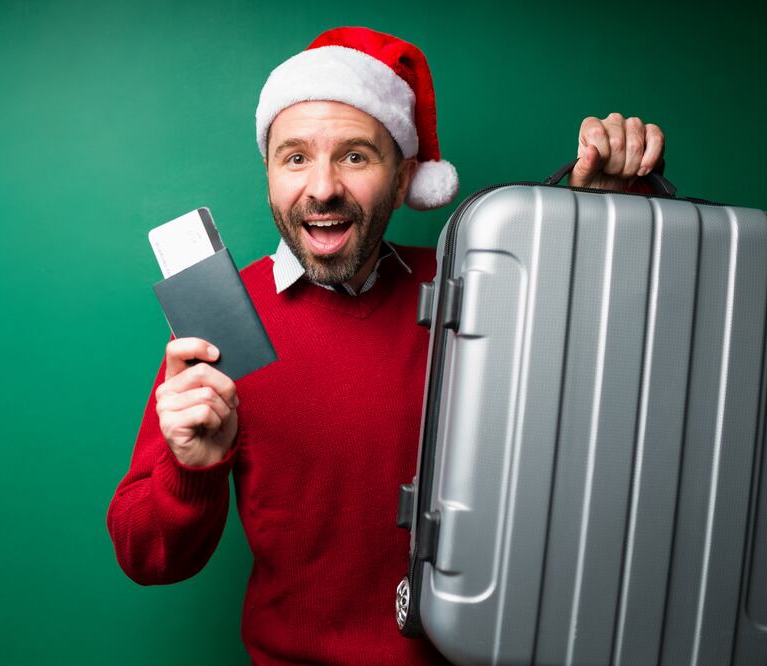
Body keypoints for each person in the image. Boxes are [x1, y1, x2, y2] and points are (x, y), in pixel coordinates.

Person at [107, 26, 666, 665]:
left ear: (403, 180)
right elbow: (145, 556)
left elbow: (614, 385)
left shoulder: (482, 285)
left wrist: (613, 223)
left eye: (354, 156)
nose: (321, 188)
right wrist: (191, 465)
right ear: (268, 176)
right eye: (295, 157)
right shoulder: (223, 324)